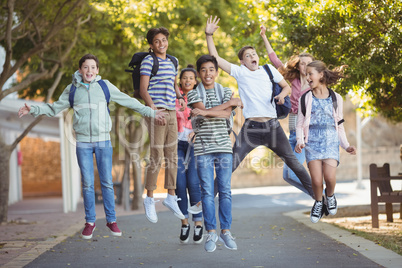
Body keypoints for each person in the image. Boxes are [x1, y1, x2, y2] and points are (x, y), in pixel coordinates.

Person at [18, 54, 166, 239]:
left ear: (97, 70)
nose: (89, 71)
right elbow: (54, 108)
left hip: (103, 141)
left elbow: (128, 101)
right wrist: (33, 109)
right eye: (86, 67)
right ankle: (90, 222)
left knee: (107, 183)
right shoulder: (72, 89)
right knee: (87, 183)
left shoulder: (105, 86)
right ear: (80, 70)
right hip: (83, 143)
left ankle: (111, 221)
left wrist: (151, 112)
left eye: (93, 67)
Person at [205, 16, 314, 198]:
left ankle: (320, 198)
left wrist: (281, 95)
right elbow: (215, 58)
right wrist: (209, 35)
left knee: (294, 163)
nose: (252, 57)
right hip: (251, 130)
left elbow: (286, 86)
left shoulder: (268, 70)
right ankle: (205, 200)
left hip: (272, 128)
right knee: (231, 163)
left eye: (253, 54)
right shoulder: (240, 72)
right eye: (247, 56)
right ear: (242, 62)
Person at [187, 55, 243, 253]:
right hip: (203, 149)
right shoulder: (193, 94)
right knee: (207, 192)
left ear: (216, 72)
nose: (207, 73)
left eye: (211, 69)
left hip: (223, 148)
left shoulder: (226, 90)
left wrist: (206, 112)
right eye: (203, 70)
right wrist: (227, 105)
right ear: (199, 73)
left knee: (225, 191)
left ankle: (225, 232)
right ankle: (211, 232)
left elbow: (226, 114)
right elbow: (208, 110)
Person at [295, 60, 356, 223]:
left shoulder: (336, 98)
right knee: (316, 180)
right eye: (306, 74)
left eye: (310, 74)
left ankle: (330, 196)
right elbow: (300, 124)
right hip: (312, 143)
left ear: (321, 74)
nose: (307, 77)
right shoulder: (305, 98)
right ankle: (318, 202)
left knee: (329, 178)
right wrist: (300, 141)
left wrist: (346, 145)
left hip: (330, 142)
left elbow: (340, 126)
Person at [260, 25, 315, 195]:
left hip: (306, 135)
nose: (305, 67)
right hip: (291, 134)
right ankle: (318, 196)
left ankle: (319, 196)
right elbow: (275, 60)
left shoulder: (316, 87)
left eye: (309, 64)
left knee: (292, 173)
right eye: (302, 64)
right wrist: (264, 37)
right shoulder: (292, 81)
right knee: (287, 176)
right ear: (298, 67)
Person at [139, 27, 186, 223]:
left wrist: (180, 96)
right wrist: (152, 110)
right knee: (157, 154)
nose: (161, 44)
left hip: (171, 111)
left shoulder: (173, 61)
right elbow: (143, 88)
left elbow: (172, 83)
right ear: (151, 45)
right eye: (157, 41)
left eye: (164, 40)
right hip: (156, 110)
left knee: (172, 155)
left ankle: (171, 196)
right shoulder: (149, 61)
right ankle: (149, 199)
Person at [175, 65, 203, 244]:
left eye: (191, 78)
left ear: (195, 81)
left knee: (193, 183)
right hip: (176, 144)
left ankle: (198, 223)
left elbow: (206, 118)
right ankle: (184, 222)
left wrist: (197, 131)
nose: (187, 80)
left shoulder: (199, 98)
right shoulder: (174, 98)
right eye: (184, 78)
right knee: (179, 183)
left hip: (194, 144)